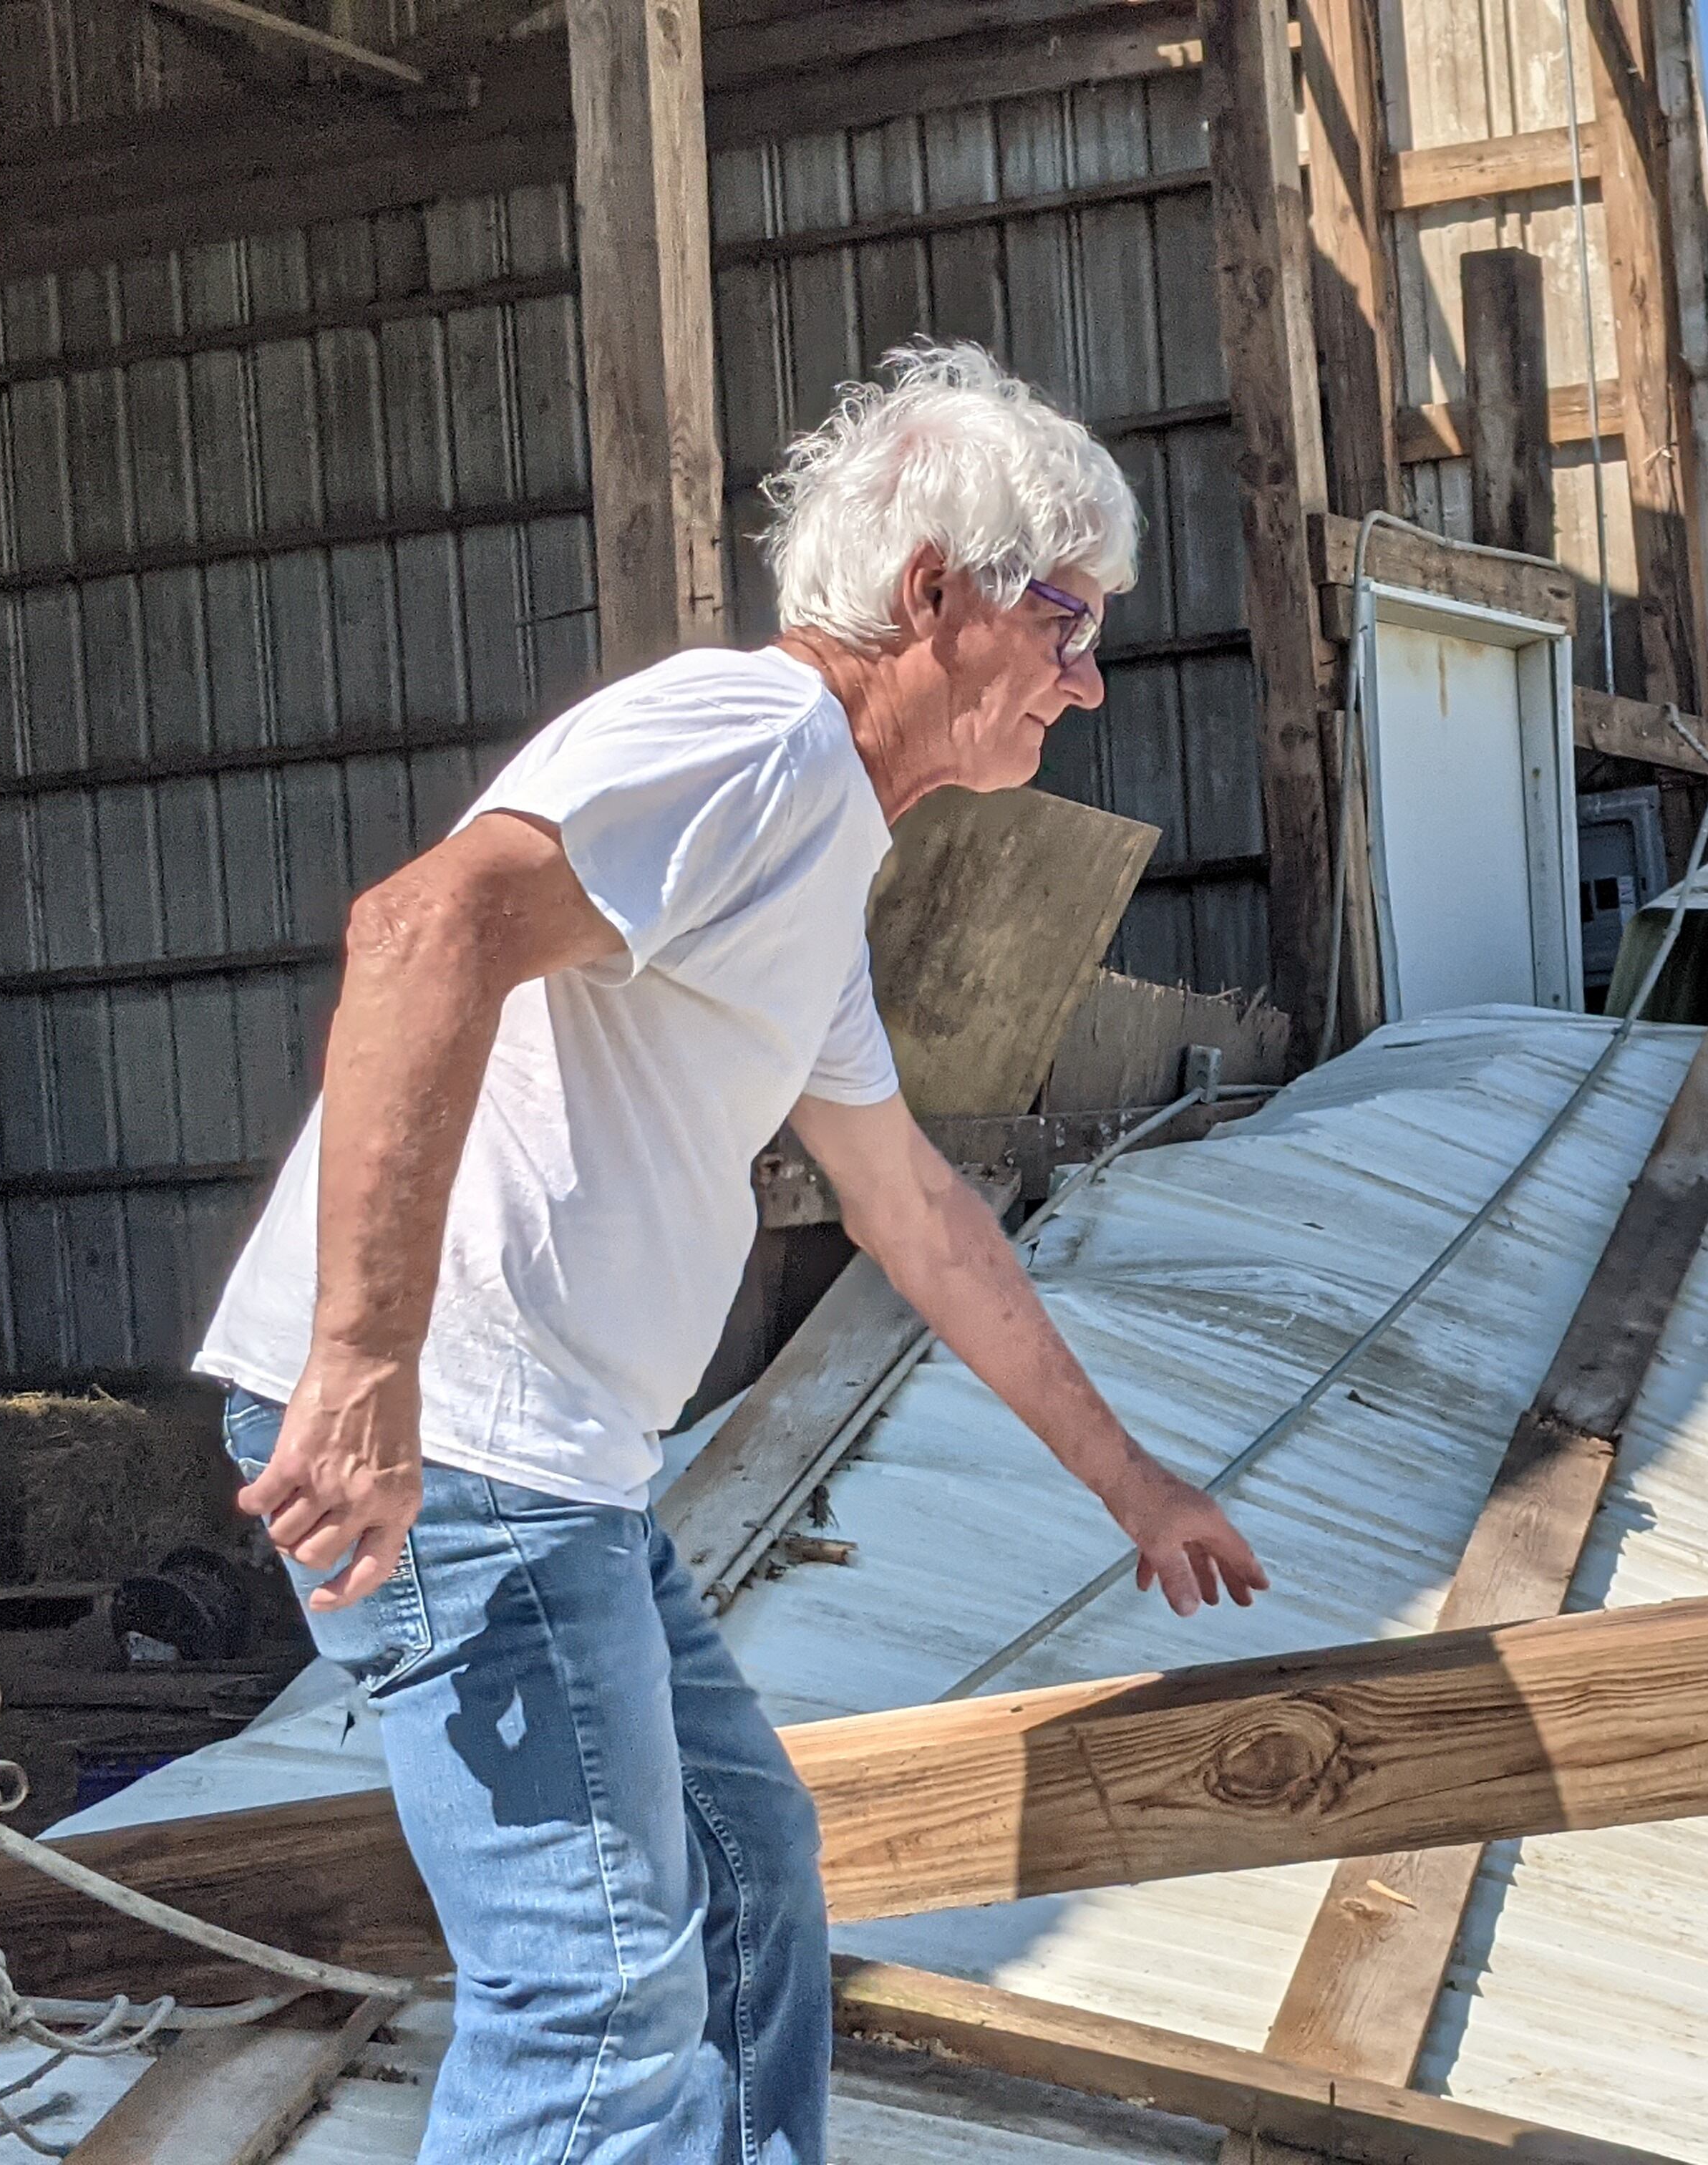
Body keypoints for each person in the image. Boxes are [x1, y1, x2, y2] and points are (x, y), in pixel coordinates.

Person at [192, 342, 1271, 2165]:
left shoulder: (817, 858)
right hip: (463, 1456)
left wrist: (1135, 1486)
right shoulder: (747, 744)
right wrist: (362, 1360)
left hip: (558, 1476)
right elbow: (419, 932)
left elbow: (914, 1210)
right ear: (935, 595)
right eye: (1069, 622)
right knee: (598, 2010)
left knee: (749, 1868)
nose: (1089, 682)